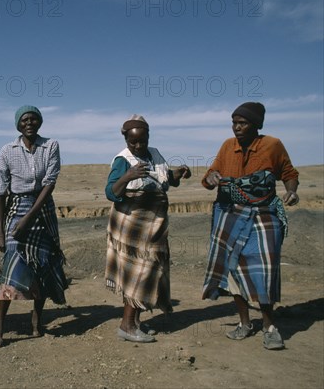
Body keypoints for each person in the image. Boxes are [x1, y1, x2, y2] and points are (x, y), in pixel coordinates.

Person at [202, 102, 299, 350]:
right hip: (230, 213)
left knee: (264, 270)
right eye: (234, 123)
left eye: (242, 123)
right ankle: (244, 323)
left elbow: (289, 173)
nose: (237, 128)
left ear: (256, 125)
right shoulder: (227, 146)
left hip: (263, 214)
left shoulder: (272, 146)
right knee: (232, 270)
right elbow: (212, 173)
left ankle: (269, 325)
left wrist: (291, 191)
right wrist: (211, 178)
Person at [105, 114, 191, 343]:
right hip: (132, 224)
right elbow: (111, 191)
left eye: (142, 140)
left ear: (148, 136)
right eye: (133, 142)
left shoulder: (155, 154)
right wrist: (128, 176)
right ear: (125, 139)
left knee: (149, 272)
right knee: (139, 273)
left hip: (155, 226)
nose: (138, 146)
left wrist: (178, 173)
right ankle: (126, 325)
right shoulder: (122, 160)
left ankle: (134, 323)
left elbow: (164, 178)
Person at [0, 105, 68, 348]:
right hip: (17, 208)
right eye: (24, 120)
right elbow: (1, 192)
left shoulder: (51, 146)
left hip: (42, 209)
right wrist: (0, 232)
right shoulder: (7, 150)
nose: (29, 123)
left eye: (34, 119)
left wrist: (29, 219)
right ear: (18, 124)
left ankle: (37, 318)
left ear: (40, 122)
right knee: (11, 265)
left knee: (42, 265)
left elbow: (49, 183)